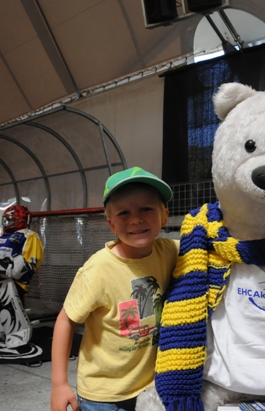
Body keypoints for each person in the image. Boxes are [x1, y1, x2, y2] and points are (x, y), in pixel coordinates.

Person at [50, 167, 179, 411]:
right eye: (123, 213)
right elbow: (65, 320)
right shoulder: (98, 269)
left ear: (164, 215)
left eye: (146, 209)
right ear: (111, 224)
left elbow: (209, 247)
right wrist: (59, 384)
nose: (136, 219)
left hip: (151, 388)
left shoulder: (170, 251)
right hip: (102, 394)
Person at [0, 204, 44, 348]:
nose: (8, 223)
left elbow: (33, 260)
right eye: (6, 219)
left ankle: (18, 334)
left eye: (11, 219)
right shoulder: (1, 236)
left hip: (14, 280)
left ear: (22, 219)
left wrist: (11, 268)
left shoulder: (28, 235)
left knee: (9, 305)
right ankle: (1, 330)